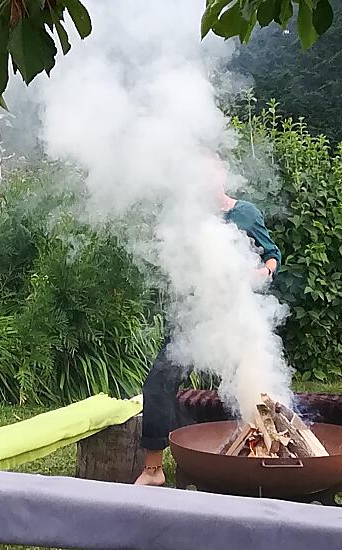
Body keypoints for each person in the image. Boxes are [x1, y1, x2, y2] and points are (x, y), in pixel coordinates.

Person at [134, 161, 282, 486]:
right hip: (194, 318)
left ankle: (265, 456)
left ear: (223, 174)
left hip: (236, 317)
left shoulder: (246, 213)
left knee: (253, 386)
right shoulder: (189, 217)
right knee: (158, 384)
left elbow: (272, 254)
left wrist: (264, 271)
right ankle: (153, 470)